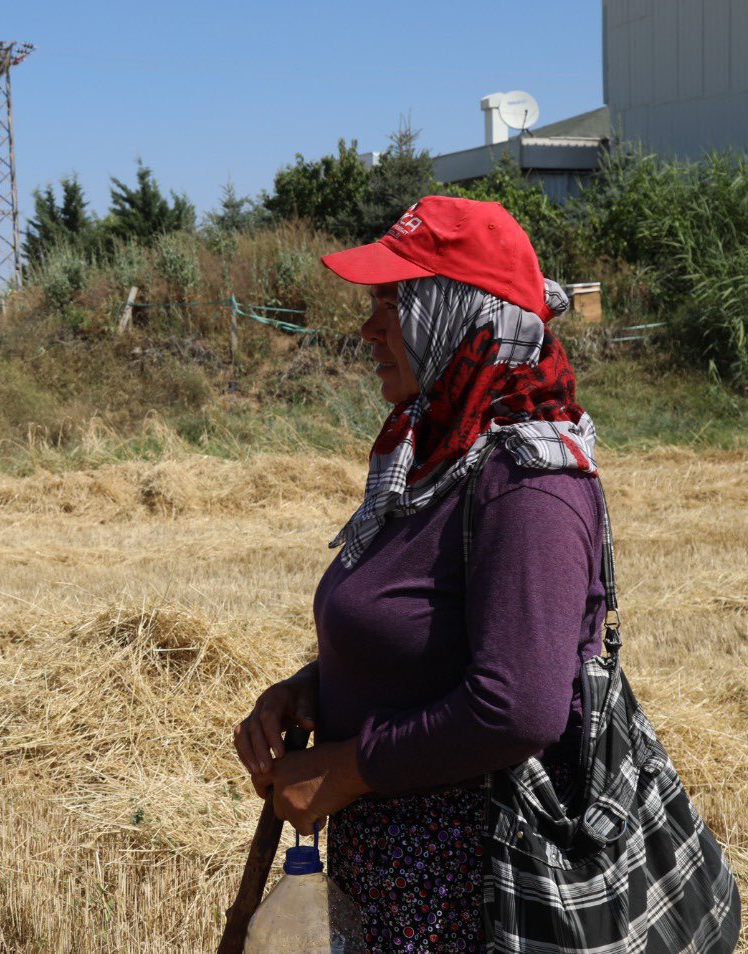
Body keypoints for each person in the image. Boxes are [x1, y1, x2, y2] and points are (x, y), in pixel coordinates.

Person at [233, 196, 605, 952]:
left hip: (472, 893)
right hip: (401, 875)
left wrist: (345, 769)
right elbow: (427, 630)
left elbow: (518, 706)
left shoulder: (529, 480)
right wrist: (314, 687)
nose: (369, 328)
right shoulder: (438, 453)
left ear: (457, 314)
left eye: (392, 302)